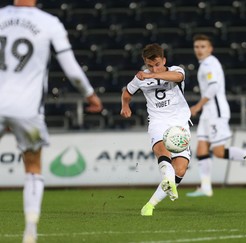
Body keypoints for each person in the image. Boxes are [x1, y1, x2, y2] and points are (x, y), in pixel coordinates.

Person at [0, 1, 103, 243]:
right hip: (27, 110)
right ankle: (30, 231)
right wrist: (90, 95)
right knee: (33, 168)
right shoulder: (49, 23)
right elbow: (72, 70)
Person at [186, 34, 246, 197]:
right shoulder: (205, 64)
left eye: (203, 46)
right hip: (209, 112)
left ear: (210, 48)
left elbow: (213, 88)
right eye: (197, 46)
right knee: (202, 148)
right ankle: (206, 187)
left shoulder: (209, 64)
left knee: (218, 152)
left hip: (216, 112)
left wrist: (197, 106)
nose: (199, 50)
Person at [120, 43, 192, 216]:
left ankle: (150, 204)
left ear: (164, 60)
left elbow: (177, 77)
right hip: (158, 121)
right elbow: (127, 93)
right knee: (162, 151)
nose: (153, 68)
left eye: (157, 64)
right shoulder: (141, 78)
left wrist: (153, 74)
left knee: (180, 169)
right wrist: (125, 106)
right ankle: (168, 179)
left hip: (179, 123)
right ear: (145, 62)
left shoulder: (176, 70)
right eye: (149, 65)